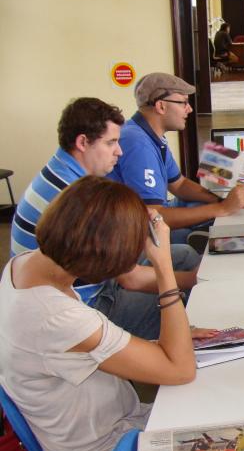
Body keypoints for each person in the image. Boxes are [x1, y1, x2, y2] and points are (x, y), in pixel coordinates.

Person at [0, 176, 198, 451]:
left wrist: (152, 347)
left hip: (113, 426)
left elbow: (71, 353)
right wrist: (162, 268)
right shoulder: (56, 317)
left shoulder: (25, 266)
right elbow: (180, 370)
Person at [10, 97, 208, 340]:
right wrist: (197, 280)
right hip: (82, 305)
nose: (119, 151)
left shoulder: (62, 170)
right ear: (83, 142)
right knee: (183, 307)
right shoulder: (77, 198)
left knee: (184, 254)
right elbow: (130, 279)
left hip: (75, 283)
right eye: (111, 142)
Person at [109, 72, 244, 244]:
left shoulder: (150, 134)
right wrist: (222, 208)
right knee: (188, 253)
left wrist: (219, 198)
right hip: (130, 236)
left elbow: (179, 184)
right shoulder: (138, 143)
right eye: (183, 102)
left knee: (198, 205)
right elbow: (152, 215)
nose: (189, 109)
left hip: (151, 216)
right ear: (161, 106)